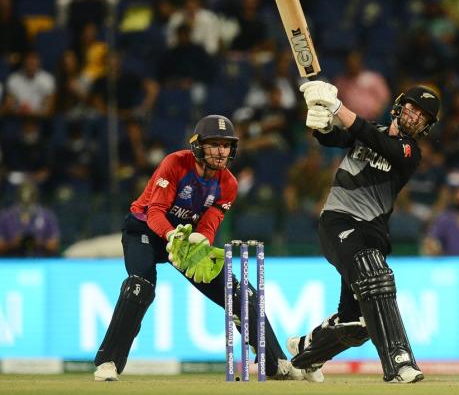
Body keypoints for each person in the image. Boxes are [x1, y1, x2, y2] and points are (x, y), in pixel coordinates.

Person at [93, 114, 302, 382]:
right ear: (198, 146)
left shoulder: (229, 184)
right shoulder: (175, 163)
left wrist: (201, 241)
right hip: (144, 230)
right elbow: (155, 211)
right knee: (140, 286)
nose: (220, 151)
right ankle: (108, 362)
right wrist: (173, 236)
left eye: (225, 145)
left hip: (186, 240)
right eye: (214, 144)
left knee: (238, 291)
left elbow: (209, 224)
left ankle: (275, 363)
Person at [285, 80, 441, 384]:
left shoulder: (409, 152)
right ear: (399, 105)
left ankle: (305, 355)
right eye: (411, 108)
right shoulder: (369, 129)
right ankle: (399, 362)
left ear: (425, 126)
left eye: (421, 116)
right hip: (338, 222)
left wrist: (338, 107)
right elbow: (334, 138)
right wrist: (321, 122)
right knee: (376, 275)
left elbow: (372, 139)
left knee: (357, 323)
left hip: (372, 233)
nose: (413, 116)